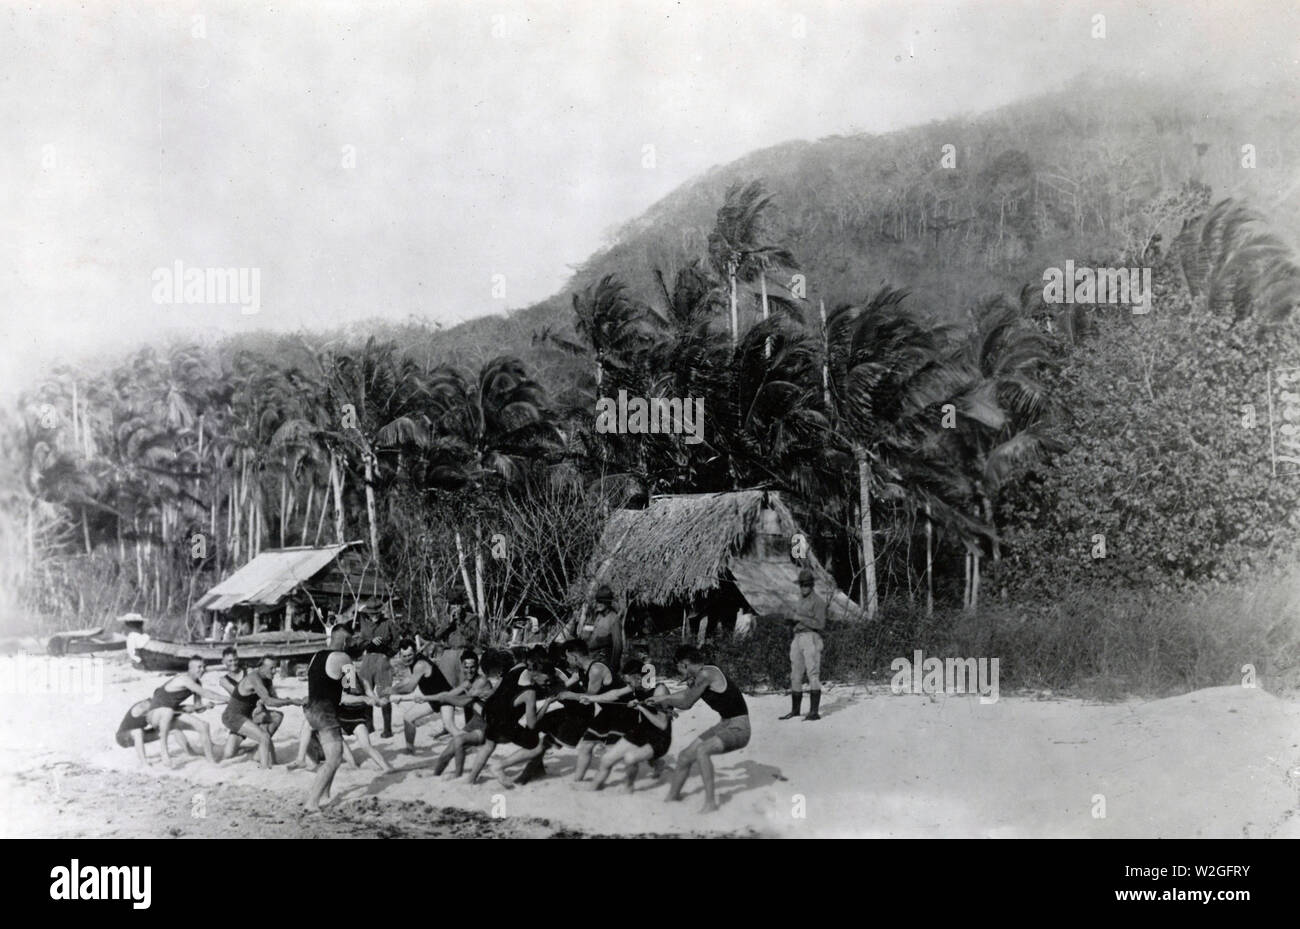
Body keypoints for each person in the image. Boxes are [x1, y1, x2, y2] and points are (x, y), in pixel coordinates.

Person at [649, 645, 750, 814]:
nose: (680, 673)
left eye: (679, 669)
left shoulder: (705, 674)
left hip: (740, 727)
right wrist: (659, 699)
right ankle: (671, 798)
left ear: (685, 664)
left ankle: (710, 804)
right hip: (725, 724)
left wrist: (664, 698)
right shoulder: (702, 674)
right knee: (684, 756)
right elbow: (684, 695)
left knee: (702, 751)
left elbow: (686, 703)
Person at [296, 622, 361, 812]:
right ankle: (312, 802)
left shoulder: (316, 655)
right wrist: (362, 681)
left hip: (311, 711)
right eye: (350, 640)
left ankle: (325, 796)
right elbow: (352, 688)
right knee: (333, 759)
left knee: (336, 756)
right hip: (326, 713)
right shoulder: (343, 657)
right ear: (346, 640)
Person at [588, 659, 673, 793]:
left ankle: (628, 788)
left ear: (638, 678)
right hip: (642, 730)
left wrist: (641, 707)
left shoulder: (660, 690)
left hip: (660, 737)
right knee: (606, 759)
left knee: (630, 758)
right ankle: (592, 789)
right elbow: (614, 694)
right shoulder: (637, 685)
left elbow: (662, 724)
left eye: (628, 682)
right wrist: (590, 698)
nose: (628, 685)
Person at [465, 649, 545, 785]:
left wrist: (487, 694)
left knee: (489, 745)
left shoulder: (512, 670)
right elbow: (531, 724)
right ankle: (499, 767)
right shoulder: (529, 683)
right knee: (537, 744)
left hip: (490, 712)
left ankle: (471, 779)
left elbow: (496, 690)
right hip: (504, 720)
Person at [219, 654, 304, 768]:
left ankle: (262, 752)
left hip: (249, 716)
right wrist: (291, 701)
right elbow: (269, 701)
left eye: (275, 667)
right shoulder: (254, 677)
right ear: (261, 668)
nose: (275, 671)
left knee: (276, 717)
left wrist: (262, 703)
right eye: (271, 668)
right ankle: (264, 768)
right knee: (229, 754)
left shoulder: (267, 679)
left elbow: (273, 699)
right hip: (233, 717)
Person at [146, 656, 230, 768]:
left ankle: (211, 761)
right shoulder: (184, 679)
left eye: (204, 667)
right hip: (154, 715)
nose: (202, 669)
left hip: (172, 714)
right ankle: (164, 753)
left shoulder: (197, 683)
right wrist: (228, 699)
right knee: (167, 711)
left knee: (203, 726)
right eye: (199, 667)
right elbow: (206, 693)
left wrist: (206, 706)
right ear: (190, 669)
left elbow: (198, 707)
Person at [390, 638, 458, 749]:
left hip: (445, 697)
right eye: (404, 656)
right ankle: (410, 749)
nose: (407, 659)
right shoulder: (413, 663)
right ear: (400, 655)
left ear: (415, 652)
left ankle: (469, 743)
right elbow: (408, 680)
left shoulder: (420, 664)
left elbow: (410, 688)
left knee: (450, 726)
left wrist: (392, 691)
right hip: (431, 699)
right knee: (408, 718)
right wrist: (393, 688)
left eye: (410, 655)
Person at [780, 568, 828, 721]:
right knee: (795, 674)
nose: (804, 587)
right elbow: (792, 616)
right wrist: (790, 617)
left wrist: (799, 618)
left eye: (806, 585)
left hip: (811, 637)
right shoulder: (799, 600)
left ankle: (814, 712)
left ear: (812, 585)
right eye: (801, 585)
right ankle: (795, 710)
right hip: (798, 637)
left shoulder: (818, 602)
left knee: (813, 673)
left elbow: (820, 624)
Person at [572, 585, 624, 670]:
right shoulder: (598, 616)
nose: (598, 604)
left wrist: (613, 667)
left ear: (607, 603)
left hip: (603, 662)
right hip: (592, 659)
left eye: (601, 602)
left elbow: (617, 646)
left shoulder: (614, 619)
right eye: (597, 601)